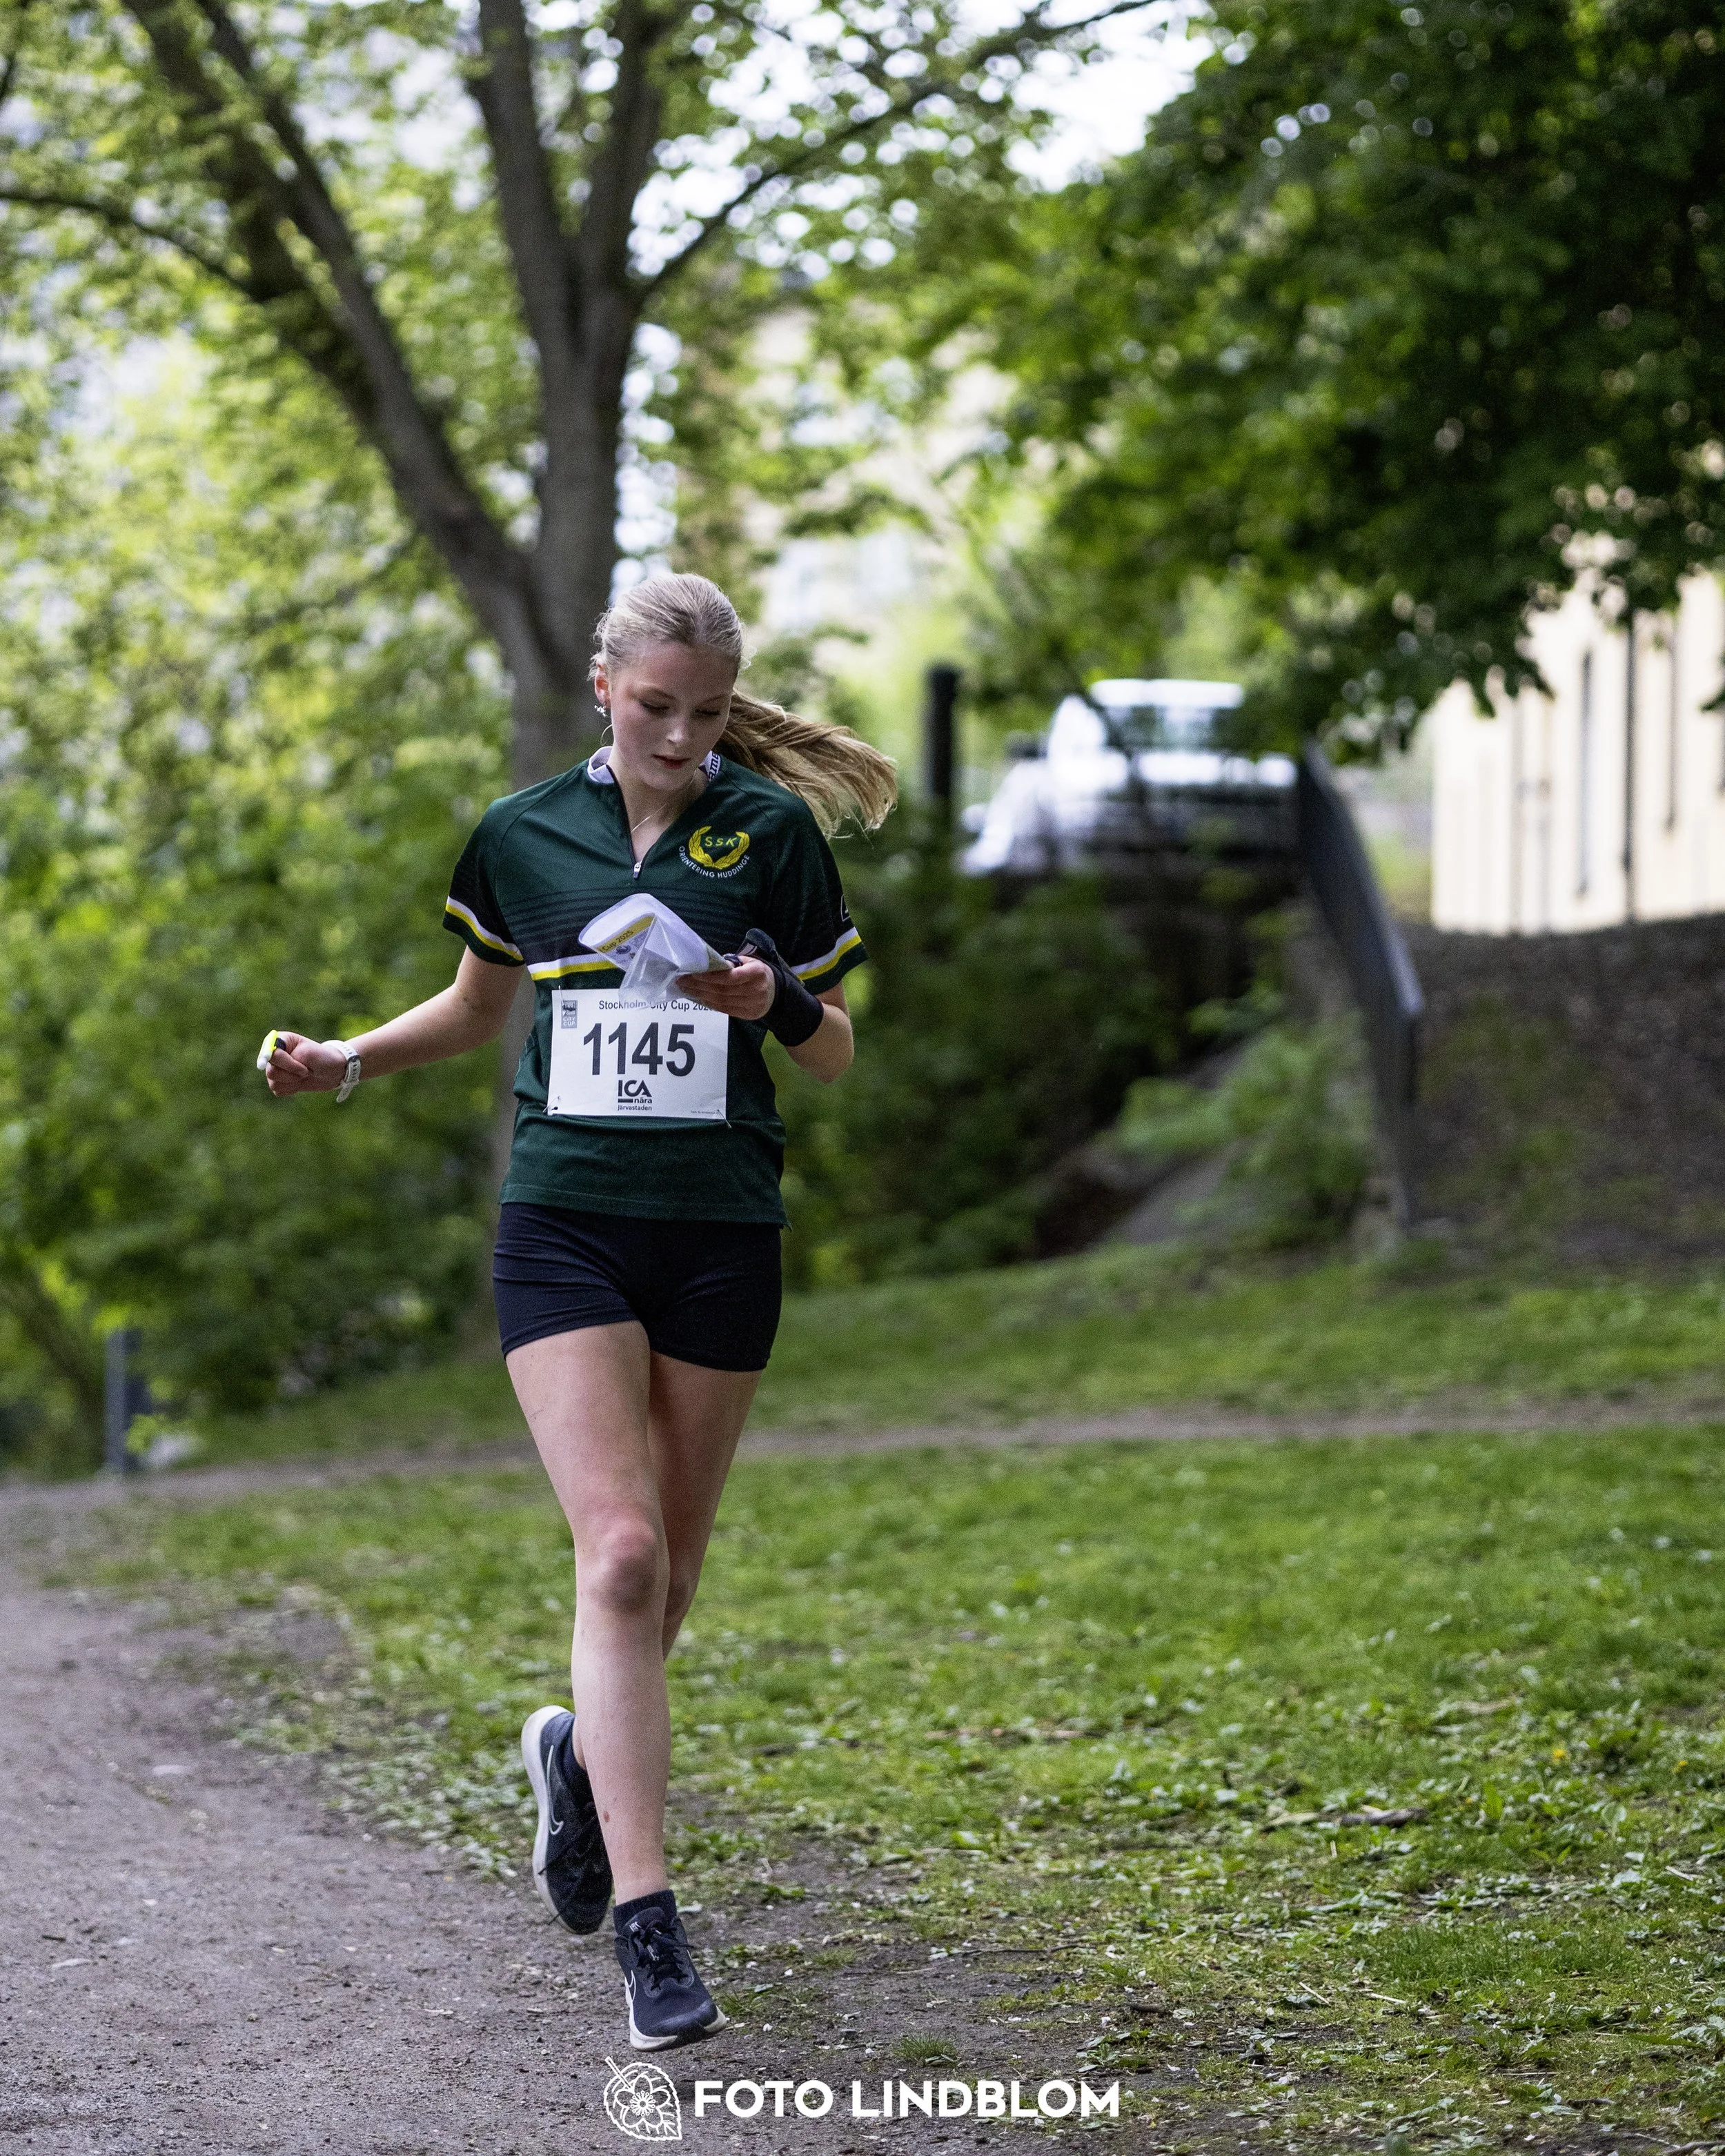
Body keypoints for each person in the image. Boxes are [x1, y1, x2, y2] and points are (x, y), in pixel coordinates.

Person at [261, 573, 896, 2050]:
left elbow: (839, 1051)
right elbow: (480, 1008)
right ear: (603, 685)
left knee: (663, 1585)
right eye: (654, 705)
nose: (679, 735)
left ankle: (570, 1754)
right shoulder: (521, 830)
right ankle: (648, 1918)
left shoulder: (770, 833)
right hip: (564, 1224)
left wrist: (771, 1005)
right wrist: (344, 1057)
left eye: (705, 712)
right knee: (614, 1559)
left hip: (722, 1233)